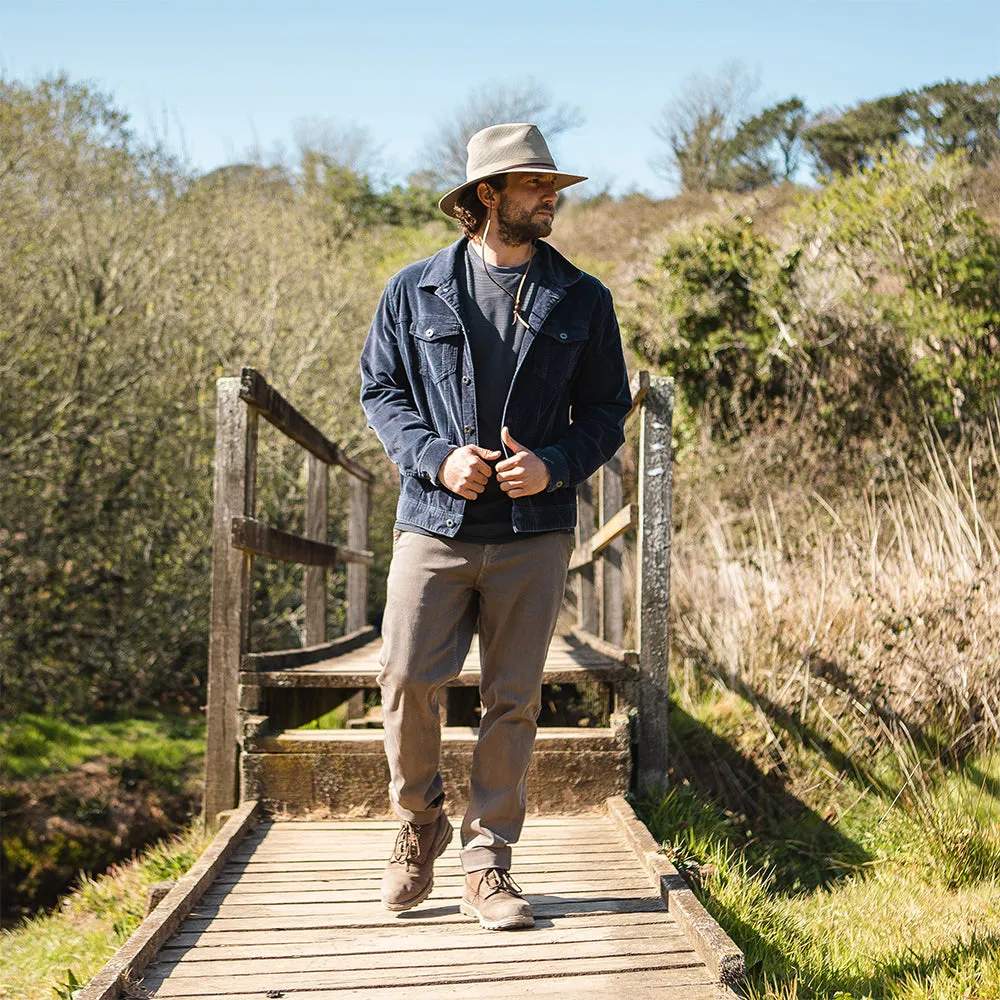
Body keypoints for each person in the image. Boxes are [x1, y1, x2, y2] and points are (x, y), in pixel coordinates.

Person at [359, 122, 631, 930]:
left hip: (534, 530)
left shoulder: (584, 298)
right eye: (536, 186)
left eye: (553, 186)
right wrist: (436, 458)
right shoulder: (412, 291)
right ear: (488, 196)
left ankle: (488, 862)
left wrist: (555, 463)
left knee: (512, 699)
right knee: (405, 677)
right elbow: (381, 393)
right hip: (434, 524)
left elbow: (608, 411)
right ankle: (419, 823)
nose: (552, 197)